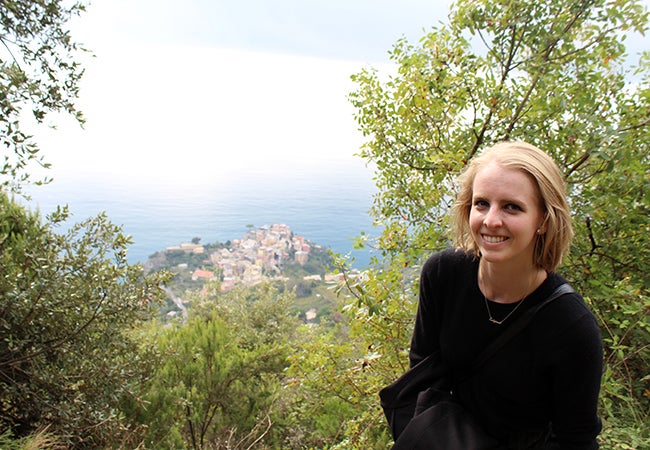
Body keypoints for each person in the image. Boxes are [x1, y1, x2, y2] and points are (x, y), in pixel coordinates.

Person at [408, 141, 603, 449]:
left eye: (512, 206)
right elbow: (422, 371)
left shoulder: (571, 327)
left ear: (543, 220)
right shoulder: (444, 274)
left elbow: (575, 439)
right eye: (481, 203)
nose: (491, 221)